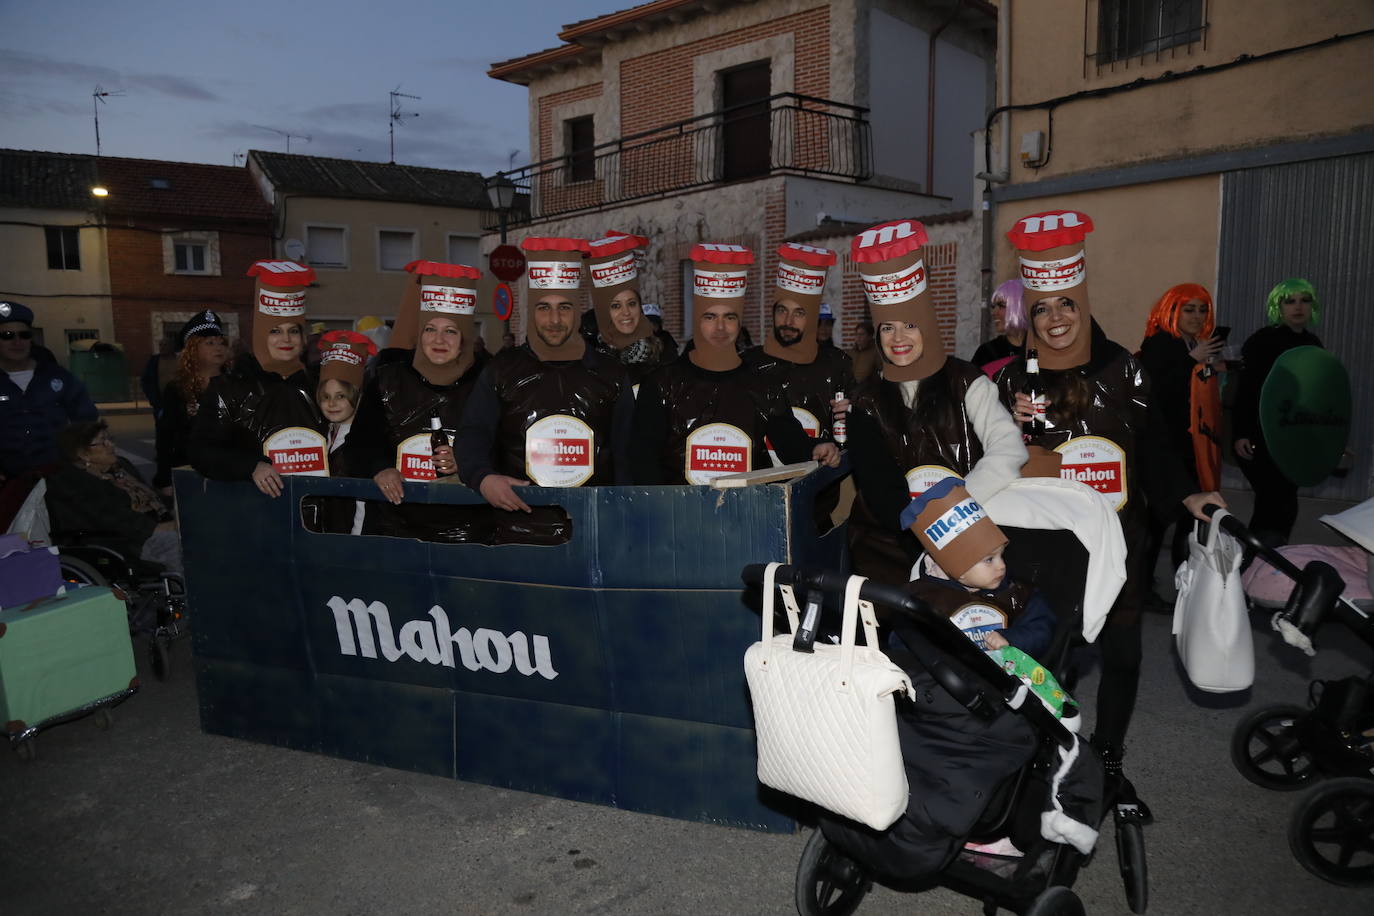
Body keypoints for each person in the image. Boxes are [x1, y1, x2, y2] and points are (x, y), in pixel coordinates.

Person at [995, 210, 1222, 819]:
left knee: (1122, 655)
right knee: (1049, 657)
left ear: (1083, 302)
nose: (1056, 318)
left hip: (1121, 541)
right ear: (1031, 317)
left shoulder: (1126, 369)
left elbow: (1153, 449)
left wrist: (1189, 494)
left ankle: (1111, 764)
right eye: (1042, 309)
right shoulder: (1017, 378)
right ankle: (1042, 762)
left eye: (1066, 304)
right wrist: (1009, 432)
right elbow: (994, 467)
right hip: (1044, 549)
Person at [842, 219, 1026, 585]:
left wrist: (956, 514)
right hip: (887, 551)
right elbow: (881, 492)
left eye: (910, 325)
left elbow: (1007, 449)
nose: (899, 338)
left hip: (974, 542)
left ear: (927, 323)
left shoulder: (966, 381)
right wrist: (928, 550)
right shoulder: (864, 401)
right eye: (887, 328)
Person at [630, 243, 840, 485]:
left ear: (739, 323)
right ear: (697, 319)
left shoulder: (763, 385)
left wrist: (817, 448)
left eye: (729, 317)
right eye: (710, 317)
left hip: (748, 516)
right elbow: (642, 463)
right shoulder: (661, 384)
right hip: (679, 517)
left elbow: (792, 446)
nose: (720, 328)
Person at [456, 237, 635, 514]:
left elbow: (628, 455)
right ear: (531, 311)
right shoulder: (500, 371)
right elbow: (474, 433)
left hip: (594, 525)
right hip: (517, 529)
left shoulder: (610, 373)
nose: (554, 320)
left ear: (576, 311)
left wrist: (624, 517)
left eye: (564, 308)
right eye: (544, 308)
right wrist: (482, 477)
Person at [350, 260, 487, 518]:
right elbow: (359, 443)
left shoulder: (488, 382)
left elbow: (507, 448)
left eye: (450, 331)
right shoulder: (387, 379)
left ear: (464, 338)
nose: (438, 340)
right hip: (395, 523)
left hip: (469, 526)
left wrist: (470, 463)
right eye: (430, 329)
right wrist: (380, 468)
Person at [189, 260, 326, 497]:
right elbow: (202, 451)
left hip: (317, 505)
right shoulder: (229, 388)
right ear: (261, 334)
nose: (286, 339)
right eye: (275, 330)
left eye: (293, 330)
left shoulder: (318, 384)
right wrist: (251, 466)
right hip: (258, 507)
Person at [900, 477, 1054, 658]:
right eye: (989, 560)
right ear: (958, 566)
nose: (1002, 566)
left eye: (1001, 555)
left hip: (1006, 676)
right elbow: (905, 640)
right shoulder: (924, 598)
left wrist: (1011, 639)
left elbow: (1042, 629)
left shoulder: (1015, 593)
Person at [1138, 284, 1223, 584]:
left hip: (1193, 447)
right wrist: (1191, 361)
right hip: (1165, 448)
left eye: (1203, 310)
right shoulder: (1160, 343)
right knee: (1158, 521)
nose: (1197, 316)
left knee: (1189, 521)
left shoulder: (1194, 346)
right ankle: (1144, 587)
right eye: (1189, 309)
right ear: (1172, 311)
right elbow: (1152, 393)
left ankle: (1185, 582)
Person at [1232, 278, 1322, 547]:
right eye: (1290, 301)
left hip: (1293, 437)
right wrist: (1241, 433)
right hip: (1261, 435)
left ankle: (1275, 563)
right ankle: (1252, 565)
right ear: (1277, 307)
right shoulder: (1262, 341)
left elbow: (1318, 395)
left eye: (1304, 300)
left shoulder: (1313, 343)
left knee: (1286, 502)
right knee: (1271, 500)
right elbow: (1246, 391)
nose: (1298, 307)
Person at [46, 420, 181, 572]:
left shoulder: (121, 466)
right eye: (102, 442)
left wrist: (179, 508)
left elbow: (152, 497)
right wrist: (163, 527)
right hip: (126, 540)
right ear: (83, 454)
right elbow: (111, 519)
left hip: (155, 526)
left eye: (109, 439)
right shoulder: (73, 481)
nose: (111, 445)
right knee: (185, 543)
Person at [0, 300, 99, 481]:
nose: (17, 342)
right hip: (7, 482)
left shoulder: (58, 377)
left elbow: (87, 421)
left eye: (24, 335)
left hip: (58, 478)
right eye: (7, 335)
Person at [304, 330, 376, 534]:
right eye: (325, 397)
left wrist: (355, 542)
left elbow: (363, 503)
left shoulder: (364, 442)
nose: (332, 403)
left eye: (341, 396)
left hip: (348, 538)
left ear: (358, 397)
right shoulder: (320, 435)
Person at [153, 309, 230, 492]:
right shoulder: (177, 389)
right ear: (192, 350)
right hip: (189, 472)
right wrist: (165, 478)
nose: (218, 348)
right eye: (209, 343)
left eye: (221, 343)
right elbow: (166, 437)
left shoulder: (235, 384)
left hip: (230, 470)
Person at [586, 232, 673, 386]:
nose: (626, 312)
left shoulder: (660, 348)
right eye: (616, 306)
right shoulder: (592, 351)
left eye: (632, 304)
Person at [971, 279, 1028, 370]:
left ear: (1020, 307)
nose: (994, 312)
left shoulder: (1040, 347)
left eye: (1001, 305)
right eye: (993, 307)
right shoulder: (987, 352)